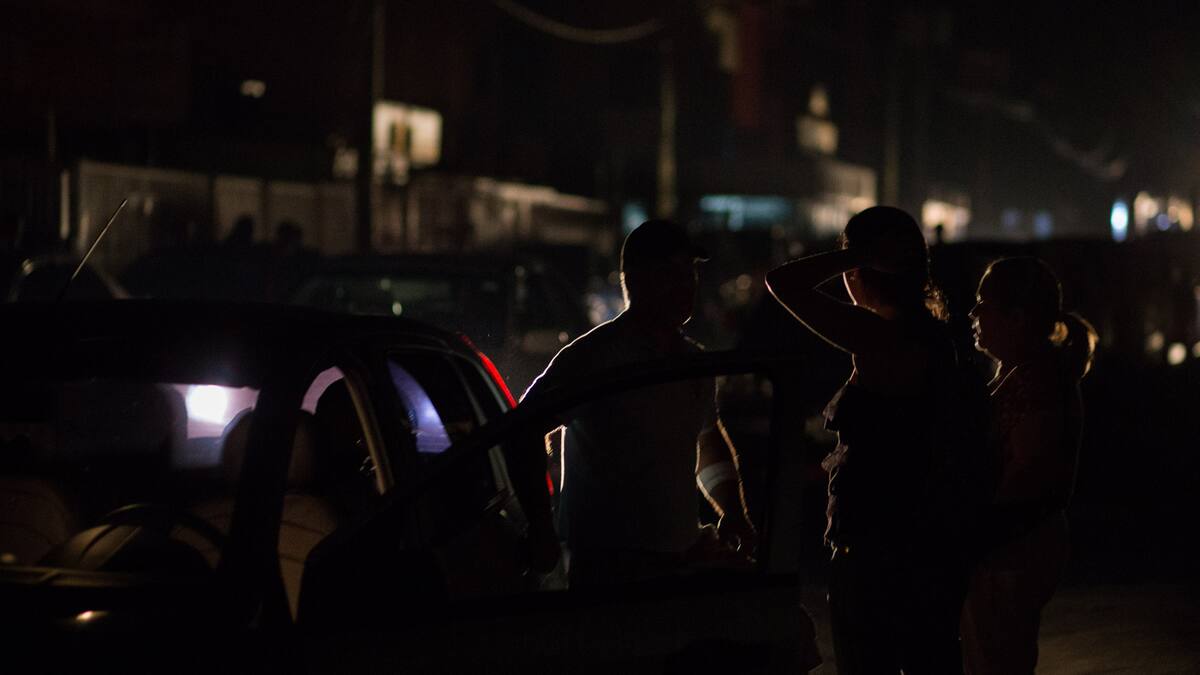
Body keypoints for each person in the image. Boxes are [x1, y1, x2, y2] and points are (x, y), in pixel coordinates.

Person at [766, 205, 969, 674]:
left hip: (882, 548)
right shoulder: (929, 336)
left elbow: (783, 283)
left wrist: (856, 255)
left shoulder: (882, 336)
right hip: (919, 543)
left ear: (862, 269)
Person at [521, 219, 758, 588]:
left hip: (682, 558)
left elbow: (706, 439)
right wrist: (540, 526)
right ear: (633, 279)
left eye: (690, 273)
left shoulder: (693, 363)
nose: (686, 284)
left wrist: (733, 511)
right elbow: (524, 429)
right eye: (670, 273)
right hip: (609, 568)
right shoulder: (594, 358)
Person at [960, 257, 1096, 675]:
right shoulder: (1024, 372)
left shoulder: (1038, 382)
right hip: (1011, 543)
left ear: (1017, 318)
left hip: (1011, 547)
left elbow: (1025, 477)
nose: (974, 313)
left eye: (984, 303)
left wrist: (973, 534)